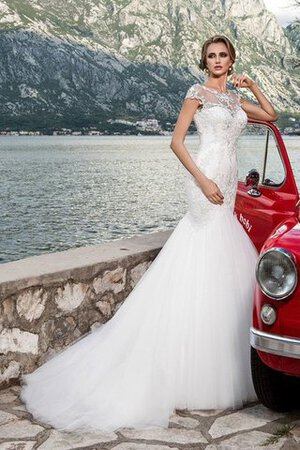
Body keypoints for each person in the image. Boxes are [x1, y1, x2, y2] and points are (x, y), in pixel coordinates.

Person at [20, 34, 278, 433]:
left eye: (223, 55)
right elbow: (176, 143)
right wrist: (203, 180)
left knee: (224, 267)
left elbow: (272, 116)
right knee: (200, 256)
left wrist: (253, 85)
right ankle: (181, 369)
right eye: (210, 55)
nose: (217, 61)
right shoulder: (197, 93)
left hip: (228, 189)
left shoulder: (231, 100)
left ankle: (214, 364)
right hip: (206, 180)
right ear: (204, 61)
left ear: (232, 59)